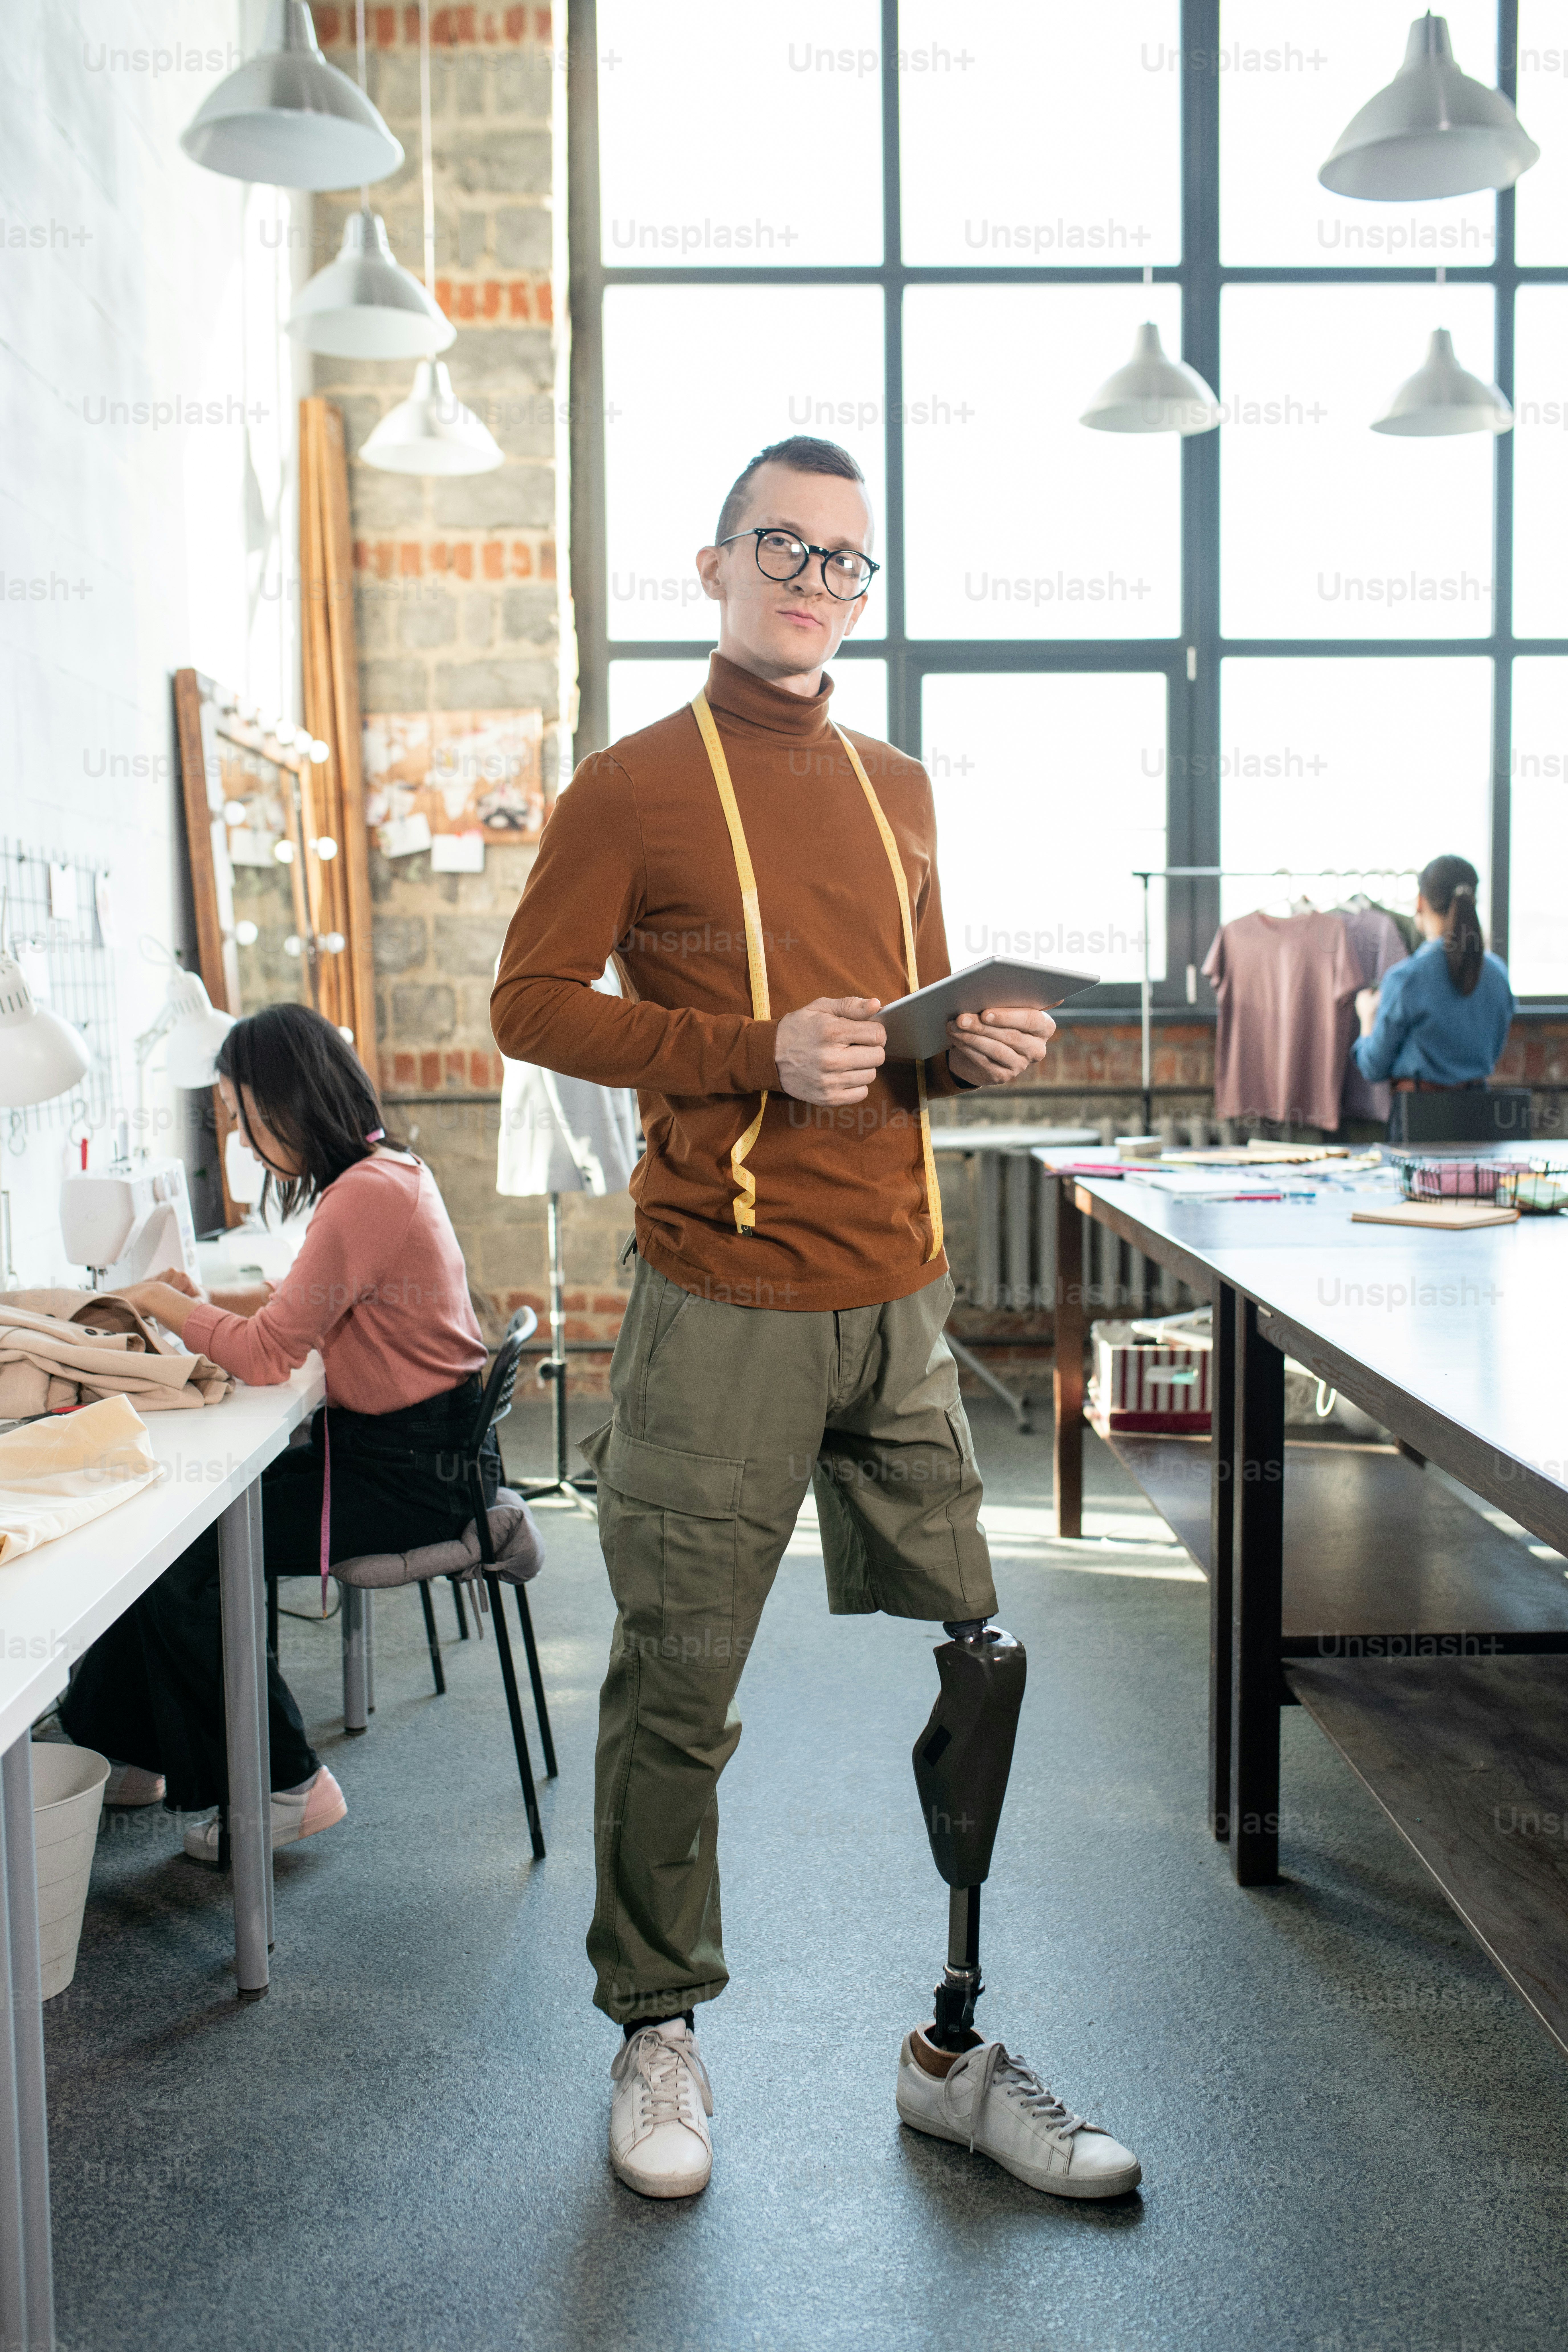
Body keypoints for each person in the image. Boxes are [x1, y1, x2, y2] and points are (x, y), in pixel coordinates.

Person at [491, 434, 1141, 2203]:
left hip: (896, 1302)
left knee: (979, 1665)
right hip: (721, 1309)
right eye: (779, 544)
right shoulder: (630, 788)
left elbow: (899, 1027)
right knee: (677, 1686)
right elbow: (530, 1004)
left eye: (844, 558)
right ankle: (655, 2024)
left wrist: (970, 1044)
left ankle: (949, 2047)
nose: (811, 575)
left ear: (864, 588)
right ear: (711, 567)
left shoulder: (898, 785)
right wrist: (738, 1049)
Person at [62, 1003, 498, 1861]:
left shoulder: (360, 1199)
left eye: (248, 1120)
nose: (251, 1143)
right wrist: (195, 1309)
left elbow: (266, 1355)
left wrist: (171, 1306)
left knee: (185, 1552)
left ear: (288, 1105)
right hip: (417, 1453)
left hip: (406, 1479)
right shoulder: (387, 1173)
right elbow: (297, 1314)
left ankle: (289, 1782)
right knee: (170, 1532)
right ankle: (133, 1747)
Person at [1352, 854, 1516, 1109]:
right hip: (1482, 1117)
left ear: (1421, 902)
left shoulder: (1405, 979)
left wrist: (1367, 1019)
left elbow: (1374, 1068)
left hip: (1419, 1121)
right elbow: (1494, 1052)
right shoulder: (1498, 974)